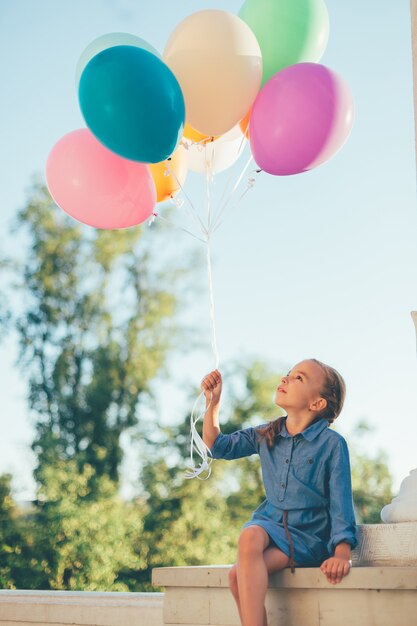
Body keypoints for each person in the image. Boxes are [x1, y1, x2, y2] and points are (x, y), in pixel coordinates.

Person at [201, 358, 357, 626]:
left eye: (299, 378)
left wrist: (341, 552)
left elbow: (341, 501)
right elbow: (218, 447)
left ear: (317, 403)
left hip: (308, 536)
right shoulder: (266, 433)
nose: (286, 378)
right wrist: (212, 403)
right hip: (272, 526)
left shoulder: (332, 444)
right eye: (288, 374)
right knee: (238, 570)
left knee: (242, 562)